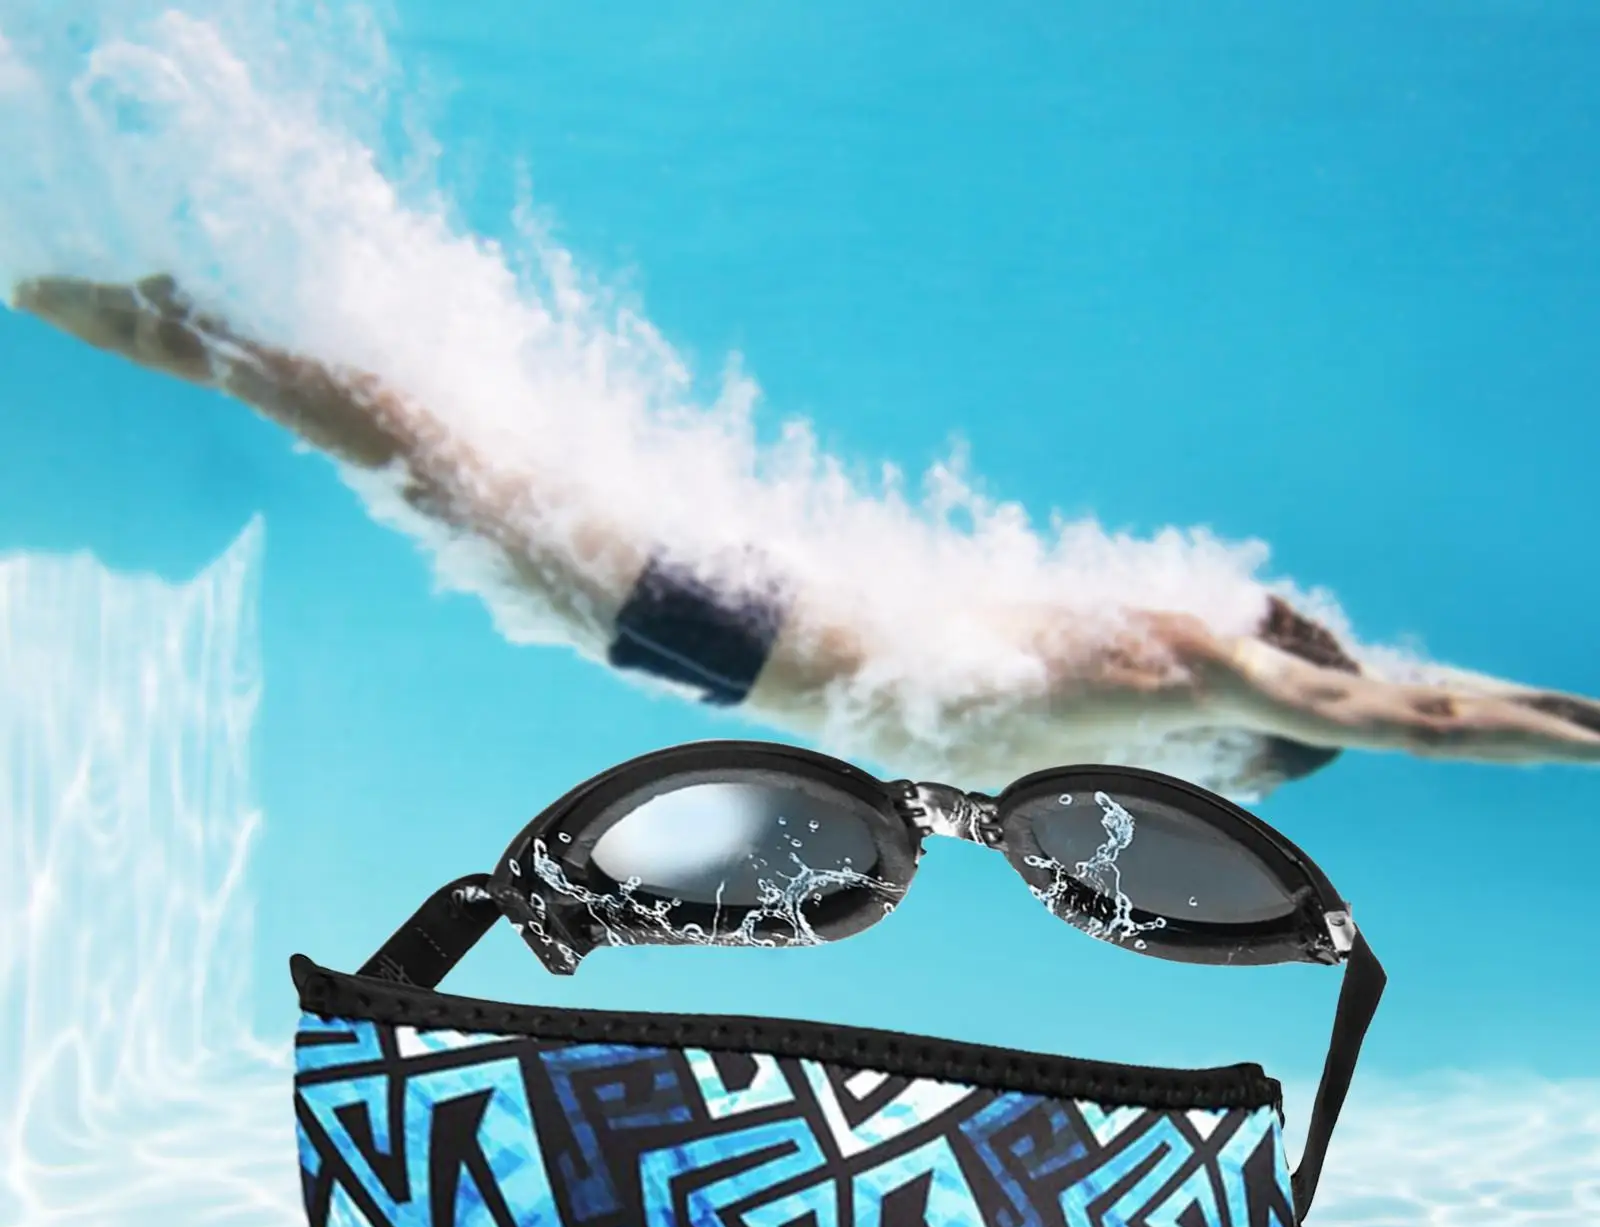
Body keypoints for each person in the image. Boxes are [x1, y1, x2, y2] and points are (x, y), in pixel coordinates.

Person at [14, 272, 1600, 794]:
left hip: (714, 607)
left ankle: (97, 291)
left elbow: (1411, 707)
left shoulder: (1184, 668)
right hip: (702, 625)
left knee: (349, 405)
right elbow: (1413, 703)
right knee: (348, 408)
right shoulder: (1148, 706)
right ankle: (97, 293)